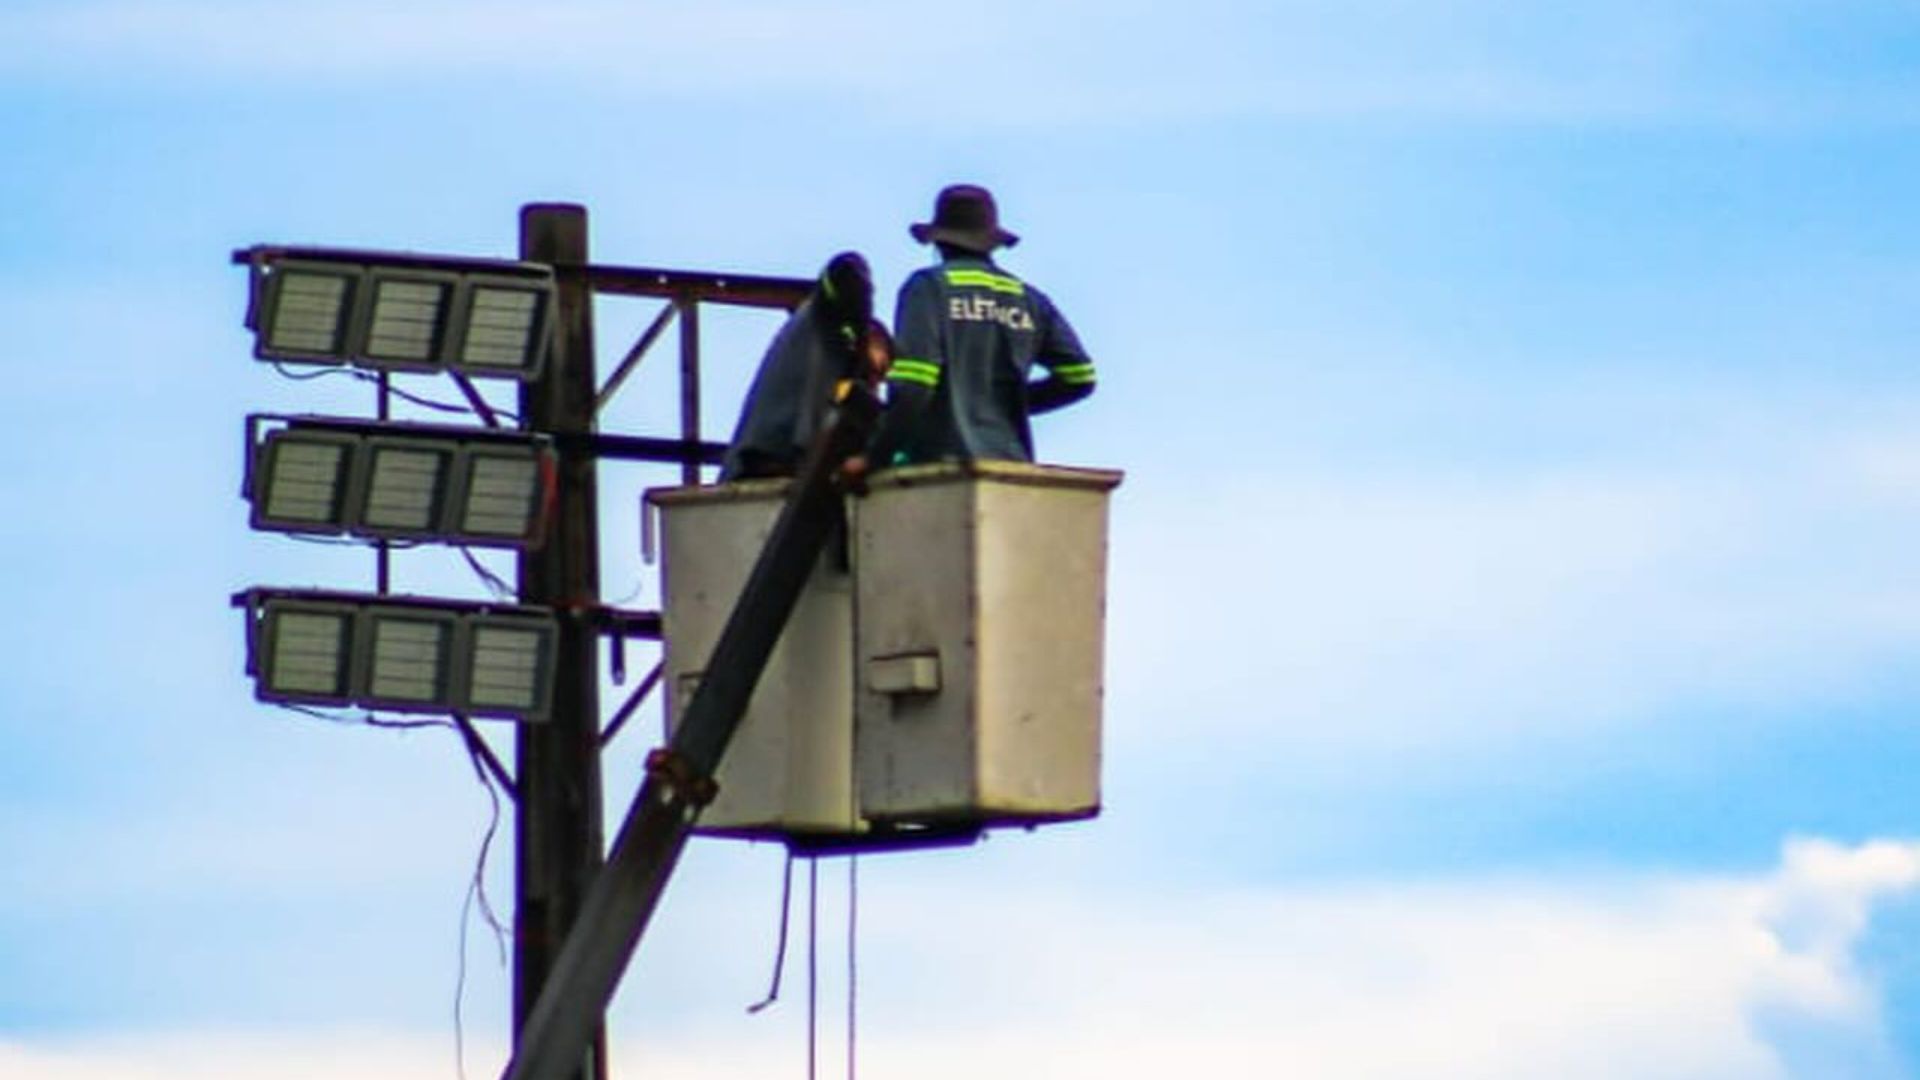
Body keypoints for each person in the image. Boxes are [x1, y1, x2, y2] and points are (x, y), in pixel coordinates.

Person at [855, 183, 1096, 478]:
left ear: (938, 242)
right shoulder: (1028, 298)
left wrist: (873, 458)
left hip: (939, 470)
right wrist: (1002, 406)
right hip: (1012, 468)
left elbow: (915, 386)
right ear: (991, 242)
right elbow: (1080, 377)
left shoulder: (928, 288)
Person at [719, 252, 878, 481]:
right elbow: (810, 425)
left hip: (764, 459)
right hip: (764, 465)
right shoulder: (820, 337)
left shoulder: (811, 324)